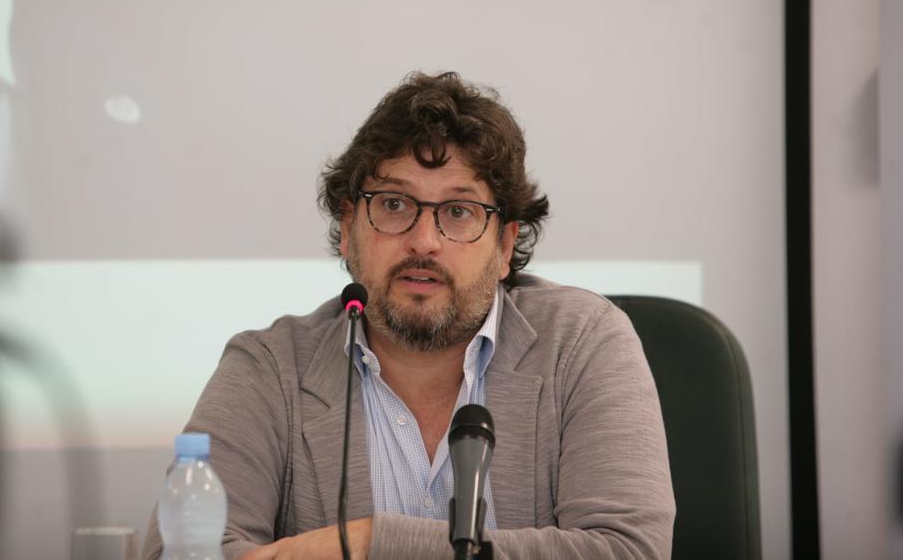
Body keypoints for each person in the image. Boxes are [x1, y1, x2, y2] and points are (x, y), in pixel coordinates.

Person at [141, 71, 675, 559]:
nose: (424, 241)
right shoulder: (271, 367)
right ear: (348, 228)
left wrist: (370, 543)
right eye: (394, 204)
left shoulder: (580, 342)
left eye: (459, 212)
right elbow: (178, 552)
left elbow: (628, 552)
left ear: (505, 245)